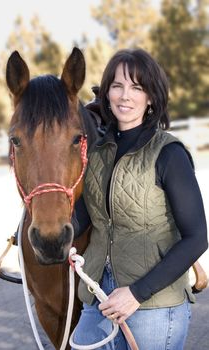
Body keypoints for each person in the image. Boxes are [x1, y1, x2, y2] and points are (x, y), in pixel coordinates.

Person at [71, 48, 208, 350]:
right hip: (98, 296)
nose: (125, 96)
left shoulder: (169, 153)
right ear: (106, 93)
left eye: (137, 87)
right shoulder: (95, 154)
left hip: (153, 306)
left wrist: (135, 293)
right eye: (117, 86)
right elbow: (82, 217)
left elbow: (197, 238)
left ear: (151, 97)